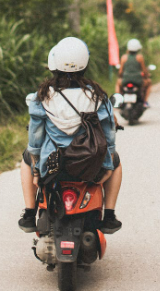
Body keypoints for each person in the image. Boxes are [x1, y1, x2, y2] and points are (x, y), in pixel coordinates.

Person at [18, 37, 122, 234]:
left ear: (55, 64)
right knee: (115, 160)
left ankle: (29, 214)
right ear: (85, 64)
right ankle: (109, 216)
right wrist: (107, 166)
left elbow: (35, 138)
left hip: (52, 166)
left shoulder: (43, 96)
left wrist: (37, 170)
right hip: (89, 165)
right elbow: (108, 137)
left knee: (25, 158)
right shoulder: (97, 96)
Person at [115, 38, 151, 108]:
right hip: (138, 81)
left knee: (118, 83)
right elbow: (144, 70)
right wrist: (147, 75)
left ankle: (118, 101)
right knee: (149, 82)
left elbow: (120, 72)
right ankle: (145, 102)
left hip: (125, 81)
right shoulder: (140, 57)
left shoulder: (124, 57)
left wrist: (120, 76)